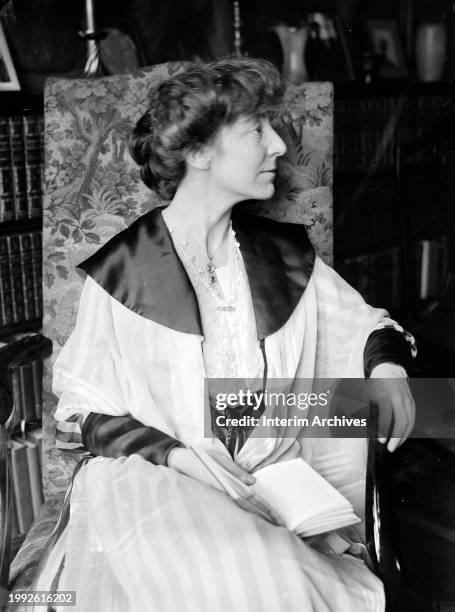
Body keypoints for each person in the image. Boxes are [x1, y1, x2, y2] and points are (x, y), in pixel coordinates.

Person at [34, 58, 415, 611]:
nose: (280, 146)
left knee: (275, 573)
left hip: (271, 483)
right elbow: (85, 411)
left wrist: (386, 368)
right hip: (159, 482)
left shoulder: (283, 257)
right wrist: (184, 460)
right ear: (200, 152)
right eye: (257, 129)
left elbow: (366, 327)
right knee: (244, 575)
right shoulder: (126, 271)